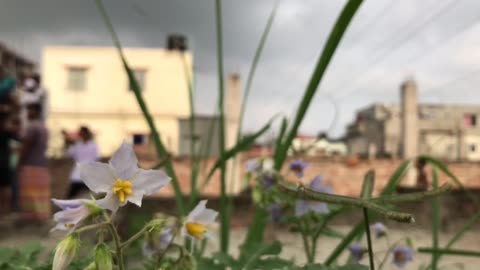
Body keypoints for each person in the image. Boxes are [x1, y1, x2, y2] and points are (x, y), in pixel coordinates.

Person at [18, 103, 50, 222]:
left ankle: (31, 219)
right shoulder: (44, 127)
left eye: (29, 110)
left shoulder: (32, 127)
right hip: (42, 165)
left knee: (30, 193)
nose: (27, 113)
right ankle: (41, 217)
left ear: (36, 112)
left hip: (31, 165)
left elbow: (26, 147)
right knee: (40, 194)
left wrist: (19, 163)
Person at [65, 126, 99, 198]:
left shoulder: (93, 146)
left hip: (88, 175)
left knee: (92, 198)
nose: (82, 135)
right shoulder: (77, 145)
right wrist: (68, 142)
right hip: (77, 175)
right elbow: (69, 154)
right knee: (70, 197)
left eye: (83, 134)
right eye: (81, 134)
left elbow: (96, 159)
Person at [0, 114, 20, 213]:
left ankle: (5, 210)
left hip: (6, 164)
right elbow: (15, 150)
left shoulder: (9, 134)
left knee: (7, 187)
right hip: (6, 164)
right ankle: (5, 210)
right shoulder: (9, 134)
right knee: (7, 187)